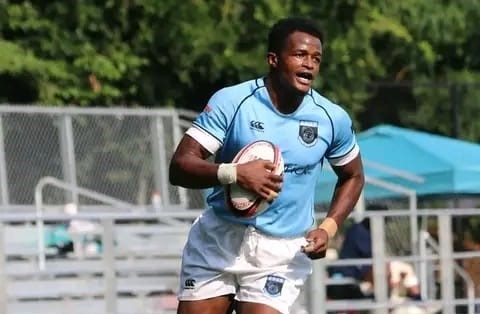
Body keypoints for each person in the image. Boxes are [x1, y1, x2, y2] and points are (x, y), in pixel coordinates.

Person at [169, 17, 365, 314]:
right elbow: (180, 166)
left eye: (316, 58)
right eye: (300, 55)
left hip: (281, 250)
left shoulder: (331, 118)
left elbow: (353, 176)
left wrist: (328, 227)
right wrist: (234, 174)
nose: (310, 64)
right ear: (273, 59)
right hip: (219, 239)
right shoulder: (232, 102)